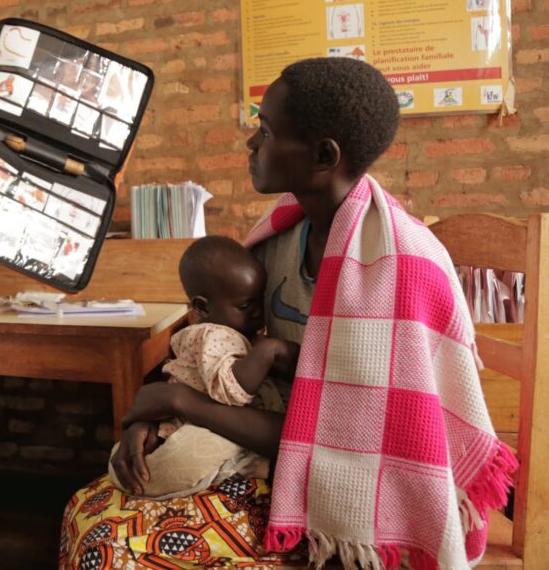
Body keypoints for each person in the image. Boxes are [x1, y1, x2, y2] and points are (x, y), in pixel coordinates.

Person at [59, 57, 515, 570]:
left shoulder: (403, 270)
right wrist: (156, 418)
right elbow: (225, 362)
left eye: (267, 130)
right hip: (263, 454)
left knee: (110, 549)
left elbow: (343, 438)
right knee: (86, 509)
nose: (252, 143)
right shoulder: (276, 241)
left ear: (324, 155)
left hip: (352, 505)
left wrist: (178, 401)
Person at [107, 236, 297, 499]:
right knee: (180, 461)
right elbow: (229, 391)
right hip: (199, 423)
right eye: (244, 306)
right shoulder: (212, 334)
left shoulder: (231, 330)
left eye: (259, 300)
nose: (257, 312)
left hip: (206, 416)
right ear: (201, 307)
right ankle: (245, 466)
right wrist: (269, 351)